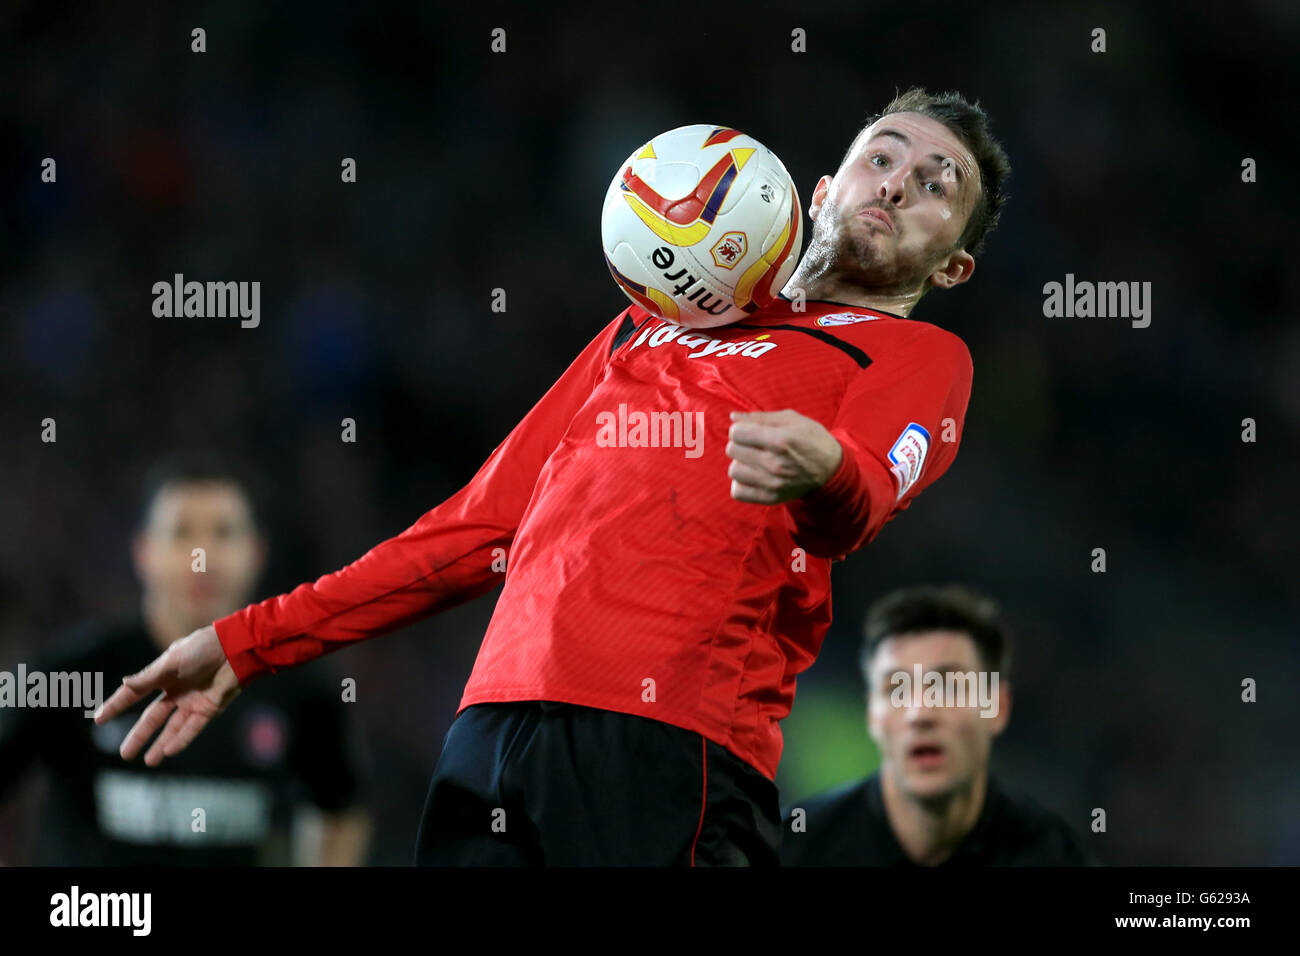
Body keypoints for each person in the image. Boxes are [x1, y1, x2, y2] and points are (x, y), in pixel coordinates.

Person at [96, 87, 1012, 866]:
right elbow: (476, 529)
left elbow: (858, 502)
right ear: (819, 188)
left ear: (956, 263)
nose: (898, 182)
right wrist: (251, 641)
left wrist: (823, 474)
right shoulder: (647, 325)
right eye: (882, 156)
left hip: (671, 749)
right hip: (493, 732)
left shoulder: (916, 355)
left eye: (939, 187)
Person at [0, 454, 372, 865]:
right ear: (143, 552)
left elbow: (341, 812)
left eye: (224, 533)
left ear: (257, 552)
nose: (204, 555)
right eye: (181, 533)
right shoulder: (67, 675)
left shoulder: (297, 686)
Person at [781, 584, 1095, 866]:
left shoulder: (1055, 856)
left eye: (950, 687)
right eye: (897, 690)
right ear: (871, 715)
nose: (920, 713)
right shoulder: (792, 849)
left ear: (997, 707)